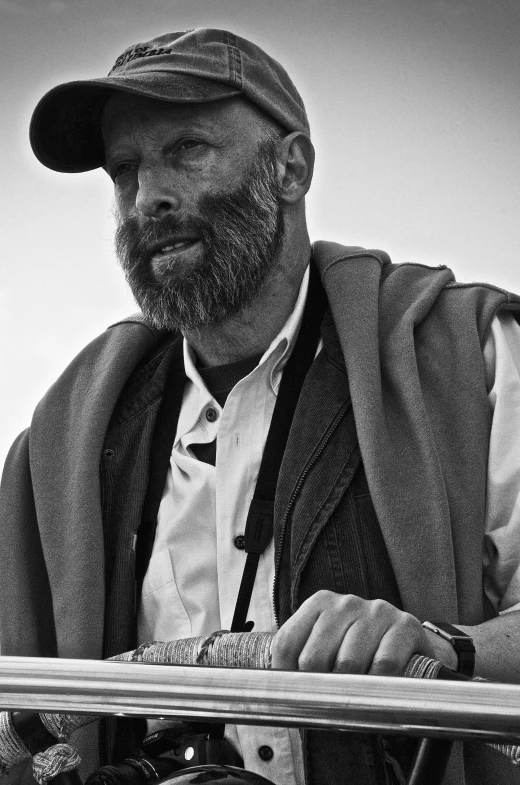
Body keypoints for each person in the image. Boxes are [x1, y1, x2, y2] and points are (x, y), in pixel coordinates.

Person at [1, 26, 520, 785]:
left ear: (290, 168)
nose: (149, 197)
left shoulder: (469, 354)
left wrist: (444, 645)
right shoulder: (66, 437)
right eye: (124, 169)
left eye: (187, 149)